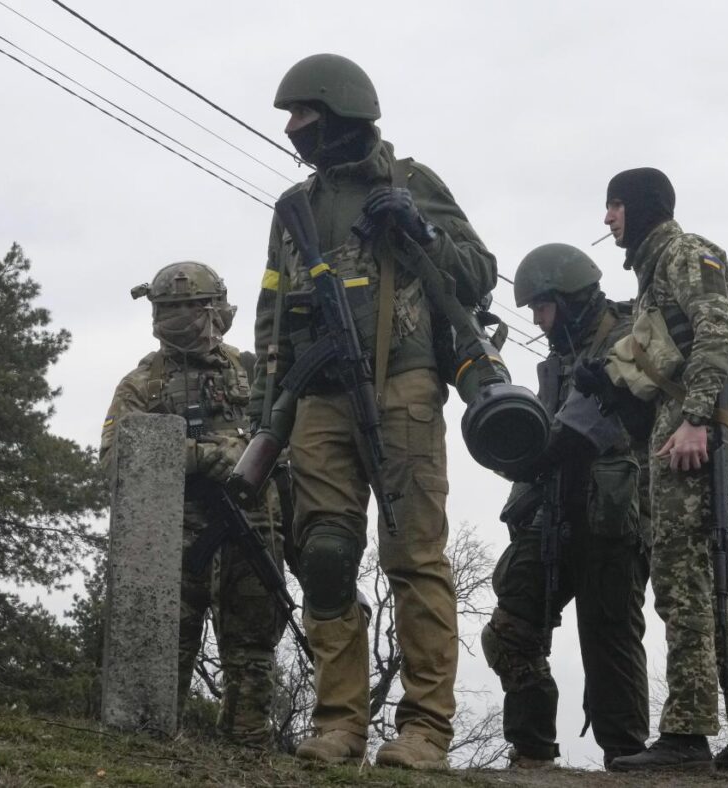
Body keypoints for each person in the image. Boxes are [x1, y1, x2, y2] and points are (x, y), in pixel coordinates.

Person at [250, 53, 497, 769]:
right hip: (316, 400)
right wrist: (267, 417)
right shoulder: (293, 208)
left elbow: (480, 274)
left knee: (413, 557)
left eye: (303, 114)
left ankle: (425, 729)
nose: (293, 129)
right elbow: (271, 317)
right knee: (324, 556)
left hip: (404, 389)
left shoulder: (411, 183)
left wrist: (421, 230)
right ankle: (339, 724)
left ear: (340, 112)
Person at [592, 168, 728, 772]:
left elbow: (719, 332)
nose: (608, 218)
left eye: (616, 205)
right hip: (679, 423)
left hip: (694, 426)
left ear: (642, 206)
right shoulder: (655, 271)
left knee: (681, 584)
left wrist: (698, 418)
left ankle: (686, 735)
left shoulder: (685, 253)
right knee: (696, 584)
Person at [100, 261, 285, 749]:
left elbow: (287, 444)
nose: (185, 321)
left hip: (250, 528)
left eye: (192, 310)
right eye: (174, 311)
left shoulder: (251, 371)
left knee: (253, 645)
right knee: (163, 644)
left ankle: (247, 748)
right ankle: (148, 745)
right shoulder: (142, 383)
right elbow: (115, 461)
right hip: (172, 535)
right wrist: (199, 457)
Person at [481, 243, 651, 770]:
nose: (537, 320)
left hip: (613, 513)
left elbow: (578, 429)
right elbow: (546, 434)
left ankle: (626, 758)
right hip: (553, 509)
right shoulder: (560, 357)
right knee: (510, 628)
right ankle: (532, 752)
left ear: (570, 297)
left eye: (542, 306)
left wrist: (528, 451)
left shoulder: (626, 335)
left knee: (608, 636)